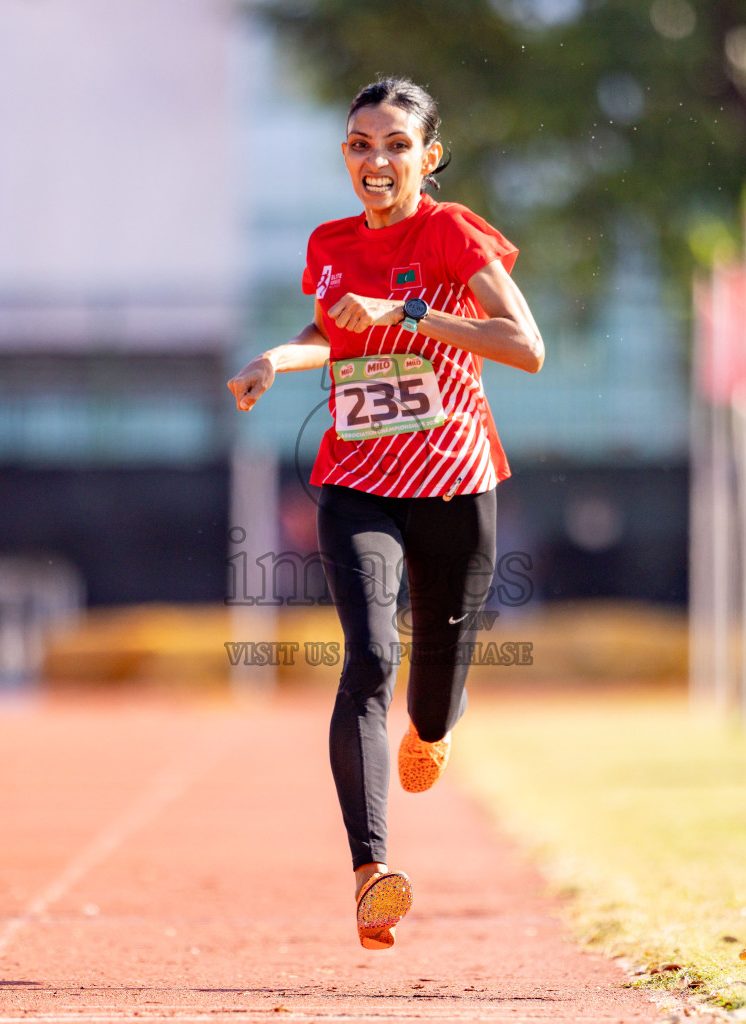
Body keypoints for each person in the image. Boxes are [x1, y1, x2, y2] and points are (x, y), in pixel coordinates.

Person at [226, 76, 543, 950]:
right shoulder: (329, 244)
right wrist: (275, 359)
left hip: (454, 488)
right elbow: (329, 333)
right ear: (346, 155)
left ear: (428, 157)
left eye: (397, 146)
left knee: (431, 700)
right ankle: (371, 874)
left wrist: (409, 310)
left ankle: (436, 726)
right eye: (362, 145)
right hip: (357, 482)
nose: (378, 161)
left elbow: (526, 347)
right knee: (369, 658)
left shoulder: (452, 233)